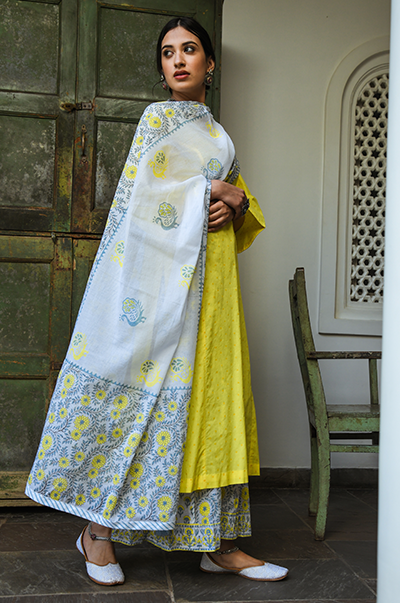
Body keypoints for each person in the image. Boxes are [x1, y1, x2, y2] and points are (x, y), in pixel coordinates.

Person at [25, 17, 288, 585]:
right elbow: (141, 201)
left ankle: (217, 544)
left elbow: (240, 205)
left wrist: (236, 202)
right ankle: (96, 535)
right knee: (144, 402)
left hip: (215, 292)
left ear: (210, 65)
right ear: (163, 69)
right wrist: (210, 190)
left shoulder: (219, 136)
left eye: (190, 50)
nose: (179, 60)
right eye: (169, 53)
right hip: (165, 291)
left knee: (212, 410)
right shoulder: (157, 121)